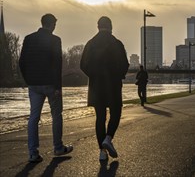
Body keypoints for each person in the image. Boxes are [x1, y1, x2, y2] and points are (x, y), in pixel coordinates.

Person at [19, 14, 73, 163]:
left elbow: (22, 61)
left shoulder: (28, 39)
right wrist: (58, 87)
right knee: (56, 115)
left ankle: (32, 153)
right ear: (52, 24)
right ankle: (58, 147)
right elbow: (57, 64)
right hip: (50, 83)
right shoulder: (55, 40)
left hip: (34, 85)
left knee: (34, 117)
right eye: (55, 24)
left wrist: (27, 80)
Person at [80, 16, 129, 161]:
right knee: (116, 113)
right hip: (113, 85)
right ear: (111, 27)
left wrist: (94, 75)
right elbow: (125, 65)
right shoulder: (116, 43)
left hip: (96, 86)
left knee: (100, 118)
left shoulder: (90, 43)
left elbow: (83, 65)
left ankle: (102, 152)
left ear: (98, 26)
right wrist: (118, 75)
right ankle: (108, 138)